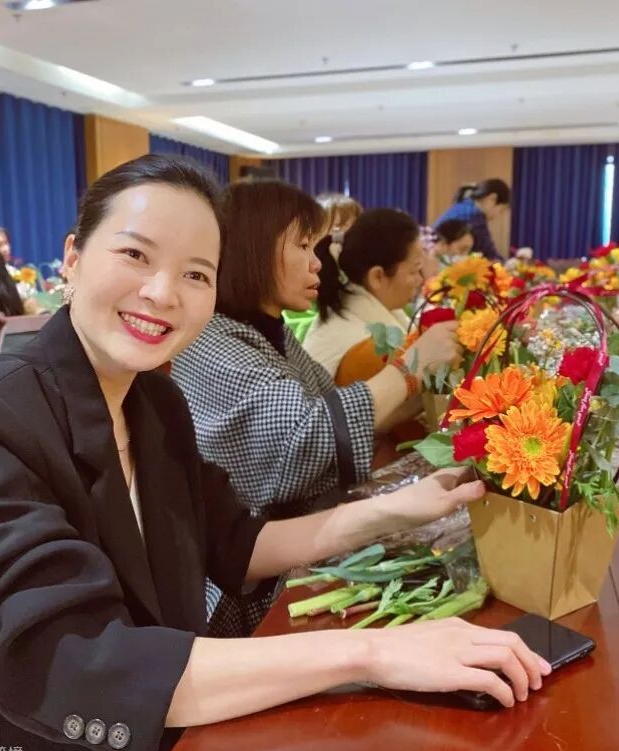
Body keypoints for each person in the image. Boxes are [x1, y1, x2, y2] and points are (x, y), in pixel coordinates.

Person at [0, 154, 549, 751]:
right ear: (73, 258)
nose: (162, 293)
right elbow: (79, 662)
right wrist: (373, 652)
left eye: (196, 274)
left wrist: (404, 508)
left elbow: (235, 542)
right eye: (135, 255)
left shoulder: (155, 402)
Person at [172, 180, 459, 634]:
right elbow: (307, 435)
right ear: (254, 247)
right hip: (246, 587)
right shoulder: (213, 343)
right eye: (303, 245)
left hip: (297, 544)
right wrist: (411, 368)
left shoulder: (270, 330)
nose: (318, 262)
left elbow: (331, 405)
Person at [304, 208, 425, 382]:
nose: (421, 280)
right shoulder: (367, 349)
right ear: (377, 276)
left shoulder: (353, 312)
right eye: (414, 271)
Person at [282, 192, 363, 342]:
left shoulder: (362, 271)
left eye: (352, 228)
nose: (343, 236)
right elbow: (296, 324)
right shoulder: (304, 272)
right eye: (336, 229)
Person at [434, 178, 511, 262]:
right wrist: (506, 266)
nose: (497, 216)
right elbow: (490, 257)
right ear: (492, 198)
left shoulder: (463, 206)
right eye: (501, 210)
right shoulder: (474, 217)